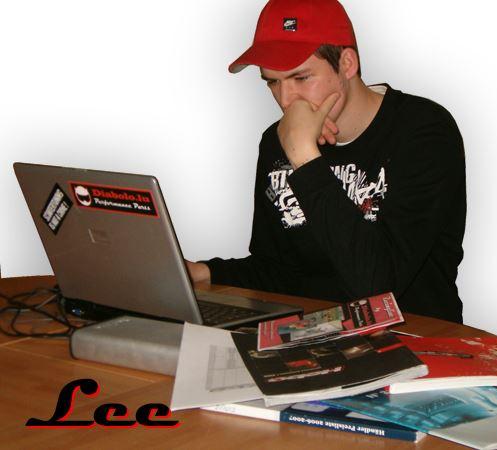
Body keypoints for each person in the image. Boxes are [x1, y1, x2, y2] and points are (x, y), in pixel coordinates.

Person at [186, 0, 466, 323]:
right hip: (316, 335)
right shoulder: (278, 142)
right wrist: (207, 272)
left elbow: (379, 287)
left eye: (301, 78)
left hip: (415, 338)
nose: (286, 100)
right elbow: (279, 269)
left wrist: (305, 158)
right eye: (272, 82)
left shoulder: (424, 133)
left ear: (347, 64)